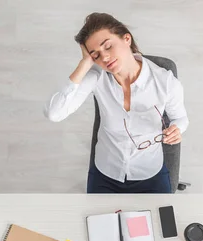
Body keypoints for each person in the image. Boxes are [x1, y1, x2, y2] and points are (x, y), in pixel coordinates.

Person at [44, 12, 189, 194]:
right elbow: (54, 113)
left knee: (156, 221)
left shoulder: (165, 82)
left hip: (150, 173)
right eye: (95, 55)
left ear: (126, 38)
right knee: (98, 221)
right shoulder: (97, 77)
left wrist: (177, 129)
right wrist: (85, 64)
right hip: (106, 173)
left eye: (108, 46)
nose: (104, 58)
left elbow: (181, 118)